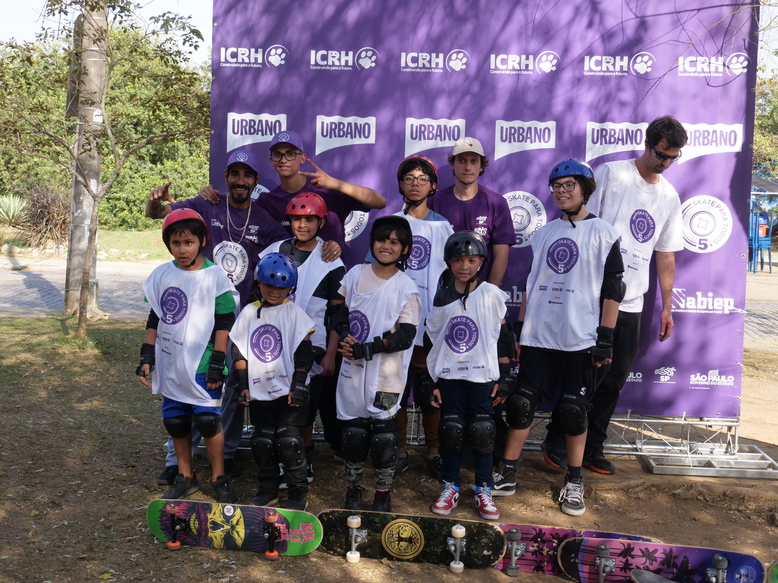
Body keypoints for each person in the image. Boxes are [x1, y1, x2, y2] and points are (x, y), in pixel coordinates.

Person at [543, 116, 688, 475]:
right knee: (584, 373)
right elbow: (580, 221)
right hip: (593, 296)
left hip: (632, 301)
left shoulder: (669, 196)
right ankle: (557, 439)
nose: (665, 163)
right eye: (661, 154)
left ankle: (594, 445)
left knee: (615, 377)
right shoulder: (611, 173)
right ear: (647, 144)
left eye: (673, 157)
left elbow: (665, 254)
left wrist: (667, 306)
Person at [146, 150, 290, 486]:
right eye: (234, 174)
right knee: (183, 383)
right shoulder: (206, 204)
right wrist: (154, 202)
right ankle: (176, 461)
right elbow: (159, 214)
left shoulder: (264, 217)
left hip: (238, 318)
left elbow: (289, 248)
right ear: (225, 176)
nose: (240, 181)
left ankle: (226, 455)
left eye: (247, 175)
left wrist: (331, 245)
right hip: (194, 317)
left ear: (256, 180)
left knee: (231, 388)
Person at [496, 159, 624, 517]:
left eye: (569, 185)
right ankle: (507, 471)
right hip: (539, 335)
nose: (561, 191)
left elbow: (614, 289)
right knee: (521, 404)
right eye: (556, 186)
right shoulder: (544, 234)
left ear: (585, 190)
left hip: (579, 338)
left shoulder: (604, 233)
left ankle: (574, 480)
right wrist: (520, 330)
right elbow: (532, 284)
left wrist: (606, 337)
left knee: (573, 411)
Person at [136, 209, 238, 503]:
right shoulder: (162, 274)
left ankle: (219, 477)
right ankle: (185, 476)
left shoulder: (214, 276)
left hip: (204, 363)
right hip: (171, 362)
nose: (182, 250)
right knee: (176, 421)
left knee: (207, 420)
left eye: (189, 242)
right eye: (176, 243)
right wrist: (147, 356)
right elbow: (155, 317)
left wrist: (218, 361)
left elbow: (224, 321)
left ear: (202, 241)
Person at [372, 156, 453, 480]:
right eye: (409, 178)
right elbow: (373, 270)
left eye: (422, 178)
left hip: (430, 322)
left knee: (429, 389)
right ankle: (399, 450)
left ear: (432, 186)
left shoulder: (443, 226)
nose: (415, 183)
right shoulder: (389, 224)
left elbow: (451, 277)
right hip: (395, 323)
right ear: (401, 185)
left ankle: (433, 452)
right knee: (395, 387)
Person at [333, 216, 421, 512]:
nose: (387, 246)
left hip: (386, 374)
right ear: (372, 243)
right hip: (353, 370)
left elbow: (406, 336)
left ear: (404, 249)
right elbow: (337, 312)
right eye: (382, 240)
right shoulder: (355, 274)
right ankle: (353, 489)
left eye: (394, 242)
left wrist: (369, 349)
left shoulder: (406, 287)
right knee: (354, 432)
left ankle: (383, 492)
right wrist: (344, 334)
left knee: (384, 435)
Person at [258, 192, 346, 484]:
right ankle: (279, 456)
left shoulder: (330, 260)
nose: (302, 225)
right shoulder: (275, 250)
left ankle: (303, 458)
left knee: (303, 405)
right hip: (274, 342)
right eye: (297, 219)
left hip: (314, 345)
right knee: (277, 401)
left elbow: (337, 314)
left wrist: (331, 353)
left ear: (321, 222)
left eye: (309, 219)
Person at [425, 231, 513, 521]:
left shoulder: (492, 294)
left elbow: (503, 337)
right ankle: (450, 485)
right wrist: (431, 382)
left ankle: (484, 488)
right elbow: (432, 340)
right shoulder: (442, 296)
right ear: (449, 263)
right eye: (458, 260)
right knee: (451, 431)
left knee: (483, 432)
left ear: (482, 262)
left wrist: (505, 378)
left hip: (482, 377)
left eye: (471, 260)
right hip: (450, 376)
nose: (464, 266)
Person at [199, 130, 386, 259]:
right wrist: (210, 196)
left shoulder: (327, 190)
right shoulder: (267, 202)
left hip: (331, 281)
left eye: (290, 153)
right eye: (277, 154)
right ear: (271, 160)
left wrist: (336, 184)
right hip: (288, 285)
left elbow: (379, 202)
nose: (283, 159)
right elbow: (239, 212)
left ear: (302, 158)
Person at [230, 253, 316, 510]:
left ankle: (298, 490)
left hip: (288, 391)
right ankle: (268, 489)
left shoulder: (294, 312)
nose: (275, 291)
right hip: (260, 390)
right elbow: (239, 351)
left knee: (289, 441)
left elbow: (305, 351)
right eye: (269, 285)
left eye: (281, 287)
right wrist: (243, 384)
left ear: (291, 288)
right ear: (258, 283)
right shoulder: (249, 312)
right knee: (262, 442)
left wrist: (299, 385)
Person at [427, 137, 514, 287]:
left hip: (480, 291)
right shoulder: (434, 201)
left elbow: (501, 255)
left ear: (481, 166)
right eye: (461, 160)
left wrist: (489, 293)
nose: (467, 167)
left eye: (474, 161)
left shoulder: (497, 203)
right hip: (440, 292)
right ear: (453, 164)